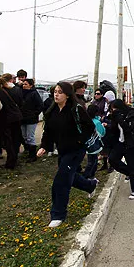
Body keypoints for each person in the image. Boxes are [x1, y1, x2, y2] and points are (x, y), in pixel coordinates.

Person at [37, 82, 99, 228]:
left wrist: (79, 140)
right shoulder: (52, 110)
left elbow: (89, 127)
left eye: (60, 92)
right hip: (63, 150)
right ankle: (91, 185)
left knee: (61, 181)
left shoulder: (76, 109)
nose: (56, 94)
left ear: (67, 94)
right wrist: (45, 146)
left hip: (76, 151)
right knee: (69, 176)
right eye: (55, 92)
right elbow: (48, 131)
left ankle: (58, 215)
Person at [106, 99, 134, 200]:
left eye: (115, 109)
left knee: (133, 165)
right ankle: (129, 173)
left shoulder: (132, 114)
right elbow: (114, 130)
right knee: (113, 159)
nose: (114, 111)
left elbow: (129, 129)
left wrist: (120, 118)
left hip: (132, 144)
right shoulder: (116, 116)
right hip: (120, 143)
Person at [0, 74, 23, 170]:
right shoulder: (17, 90)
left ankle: (10, 162)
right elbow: (20, 102)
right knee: (16, 139)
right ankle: (14, 159)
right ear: (11, 80)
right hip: (16, 117)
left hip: (5, 118)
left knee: (7, 140)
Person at [20, 78, 44, 162]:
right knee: (24, 136)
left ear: (31, 85)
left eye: (26, 84)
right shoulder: (21, 93)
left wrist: (34, 113)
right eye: (23, 84)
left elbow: (40, 105)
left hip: (31, 119)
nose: (24, 85)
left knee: (30, 136)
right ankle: (27, 151)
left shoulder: (34, 94)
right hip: (22, 118)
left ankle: (32, 155)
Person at [83, 104, 105, 179]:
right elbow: (102, 133)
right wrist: (103, 126)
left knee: (92, 160)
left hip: (87, 144)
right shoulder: (97, 122)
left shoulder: (86, 120)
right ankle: (87, 176)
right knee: (92, 162)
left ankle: (90, 176)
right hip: (94, 144)